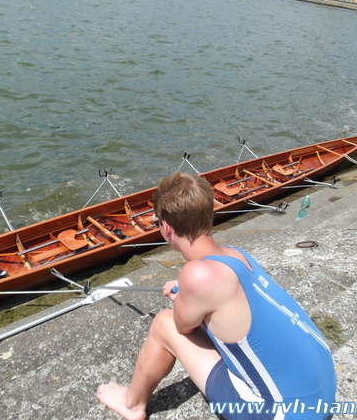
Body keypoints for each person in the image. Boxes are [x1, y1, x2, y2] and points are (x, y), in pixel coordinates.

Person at [97, 172, 336, 420]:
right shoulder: (236, 255)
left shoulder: (198, 275)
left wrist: (184, 296)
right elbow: (228, 304)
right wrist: (188, 293)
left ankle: (132, 404)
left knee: (163, 324)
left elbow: (182, 326)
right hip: (324, 393)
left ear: (166, 227)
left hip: (281, 413)